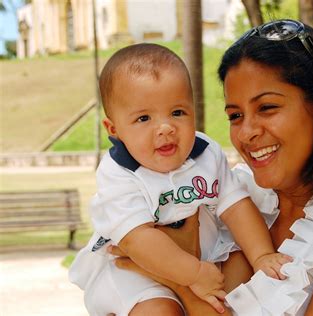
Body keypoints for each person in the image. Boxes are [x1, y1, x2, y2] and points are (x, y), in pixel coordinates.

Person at [109, 19, 313, 315]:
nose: (247, 132)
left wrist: (174, 277)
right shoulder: (223, 195)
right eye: (235, 116)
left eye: (267, 107)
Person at [68, 43, 291, 316]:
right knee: (159, 310)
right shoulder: (118, 172)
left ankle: (227, 306)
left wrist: (262, 255)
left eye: (177, 112)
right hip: (138, 270)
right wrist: (193, 274)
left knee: (241, 261)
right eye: (143, 118)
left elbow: (236, 206)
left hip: (205, 255)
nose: (165, 128)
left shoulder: (205, 153)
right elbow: (138, 241)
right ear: (114, 129)